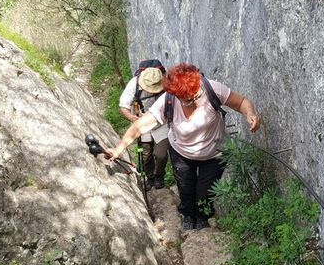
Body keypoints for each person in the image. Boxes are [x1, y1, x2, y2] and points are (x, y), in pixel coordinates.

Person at [107, 63, 261, 231]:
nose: (191, 101)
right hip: (181, 152)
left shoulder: (211, 89)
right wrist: (118, 149)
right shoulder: (167, 101)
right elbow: (139, 127)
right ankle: (188, 215)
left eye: (194, 96)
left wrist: (250, 114)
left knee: (205, 192)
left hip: (214, 153)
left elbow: (241, 102)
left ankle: (202, 217)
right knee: (186, 189)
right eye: (185, 99)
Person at [119, 65, 169, 190]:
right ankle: (150, 177)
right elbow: (123, 108)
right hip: (142, 123)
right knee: (146, 155)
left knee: (161, 154)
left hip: (161, 123)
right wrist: (132, 118)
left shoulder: (167, 81)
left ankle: (159, 176)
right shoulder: (134, 85)